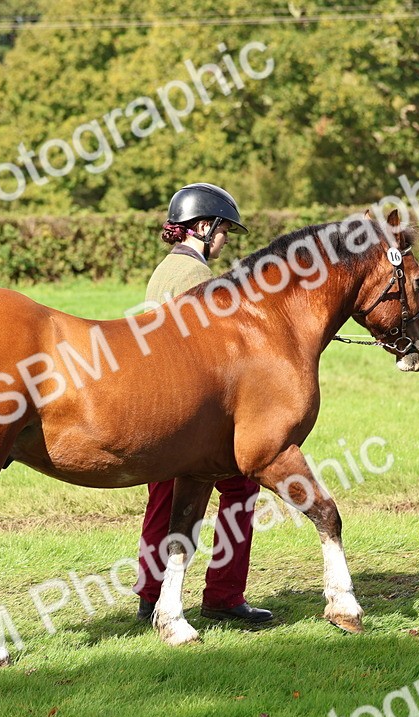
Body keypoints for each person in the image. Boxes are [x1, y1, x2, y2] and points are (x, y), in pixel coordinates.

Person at [133, 183, 273, 624]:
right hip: (192, 411)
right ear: (203, 226)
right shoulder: (198, 278)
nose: (225, 239)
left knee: (163, 497)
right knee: (240, 487)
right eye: (223, 230)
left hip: (159, 406)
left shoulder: (165, 270)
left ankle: (149, 595)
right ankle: (224, 595)